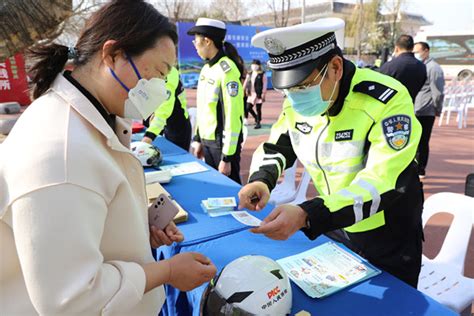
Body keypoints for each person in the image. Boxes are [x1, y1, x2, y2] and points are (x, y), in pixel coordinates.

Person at [0, 1, 216, 315]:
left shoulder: (91, 120)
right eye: (157, 73)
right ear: (112, 55)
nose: (160, 89)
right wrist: (167, 271)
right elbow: (73, 299)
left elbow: (80, 219)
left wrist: (136, 227)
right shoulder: (61, 153)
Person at [238, 18, 424, 288]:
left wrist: (308, 214)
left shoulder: (387, 100)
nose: (295, 97)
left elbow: (384, 182)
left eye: (302, 87)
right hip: (335, 220)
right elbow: (279, 143)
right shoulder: (297, 101)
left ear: (335, 67)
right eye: (287, 90)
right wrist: (262, 179)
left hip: (387, 234)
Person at [188, 18, 244, 184]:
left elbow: (233, 115)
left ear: (207, 41)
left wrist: (227, 157)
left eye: (196, 41)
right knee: (216, 190)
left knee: (232, 191)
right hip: (208, 142)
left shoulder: (227, 70)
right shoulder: (206, 69)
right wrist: (198, 139)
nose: (195, 46)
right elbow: (203, 108)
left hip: (222, 145)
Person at [413, 41, 445, 178]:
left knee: (423, 140)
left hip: (426, 109)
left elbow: (437, 92)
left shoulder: (433, 68)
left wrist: (437, 108)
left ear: (426, 51)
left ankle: (421, 169)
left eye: (418, 51)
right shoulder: (420, 66)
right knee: (415, 140)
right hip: (416, 108)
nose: (416, 54)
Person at [142, 66, 192, 150]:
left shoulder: (169, 73)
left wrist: (149, 136)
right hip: (159, 122)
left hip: (177, 126)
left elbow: (164, 109)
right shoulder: (149, 69)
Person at [379, 34, 427, 102]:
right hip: (409, 107)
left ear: (396, 48)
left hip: (391, 107)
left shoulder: (390, 65)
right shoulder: (422, 66)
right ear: (412, 48)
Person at [243, 59, 268, 129]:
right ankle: (256, 117)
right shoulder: (250, 73)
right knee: (248, 107)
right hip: (251, 94)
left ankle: (258, 123)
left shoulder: (262, 74)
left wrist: (263, 93)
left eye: (255, 65)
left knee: (258, 109)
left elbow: (265, 84)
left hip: (258, 94)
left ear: (259, 66)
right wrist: (243, 89)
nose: (254, 66)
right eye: (253, 65)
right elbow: (246, 82)